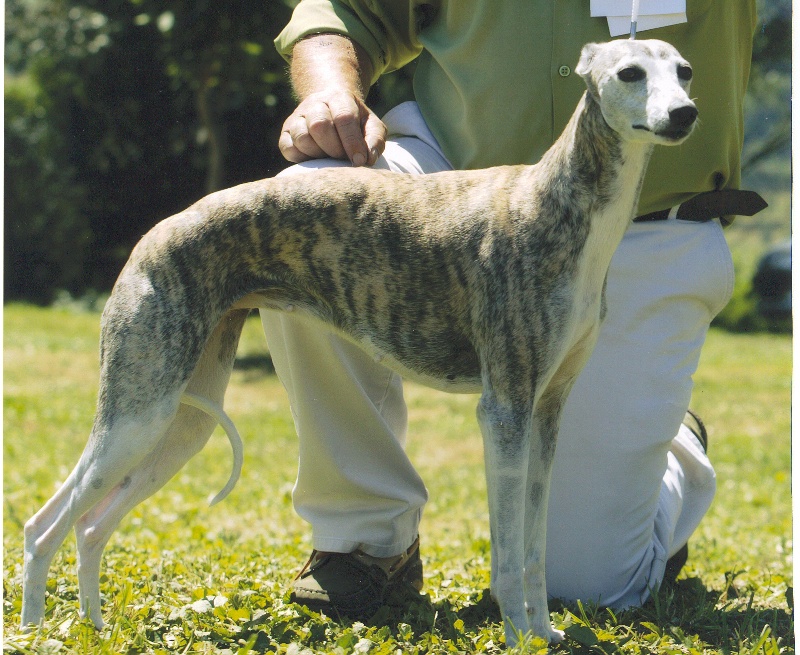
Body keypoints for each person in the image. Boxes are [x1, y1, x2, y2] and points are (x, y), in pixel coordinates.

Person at [261, 0, 761, 617]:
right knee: (307, 200)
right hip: (450, 190)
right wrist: (330, 90)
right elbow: (349, 10)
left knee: (588, 588)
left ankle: (672, 444)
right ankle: (363, 540)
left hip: (645, 223)